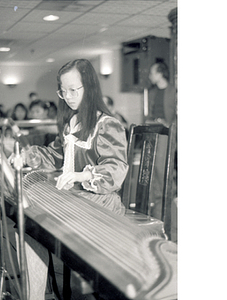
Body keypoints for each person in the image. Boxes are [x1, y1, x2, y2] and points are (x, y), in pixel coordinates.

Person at [16, 59, 128, 299]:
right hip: (79, 200)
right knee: (29, 226)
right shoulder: (73, 122)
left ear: (89, 87)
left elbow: (116, 168)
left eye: (73, 90)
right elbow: (57, 154)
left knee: (36, 225)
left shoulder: (107, 124)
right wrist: (28, 155)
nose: (67, 96)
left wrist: (84, 174)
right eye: (63, 91)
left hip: (102, 204)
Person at [146, 62, 177, 220]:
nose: (150, 76)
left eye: (152, 73)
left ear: (160, 73)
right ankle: (158, 209)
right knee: (155, 171)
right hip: (154, 133)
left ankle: (169, 205)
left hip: (167, 134)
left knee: (163, 169)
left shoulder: (173, 91)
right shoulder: (152, 92)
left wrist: (169, 124)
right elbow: (150, 113)